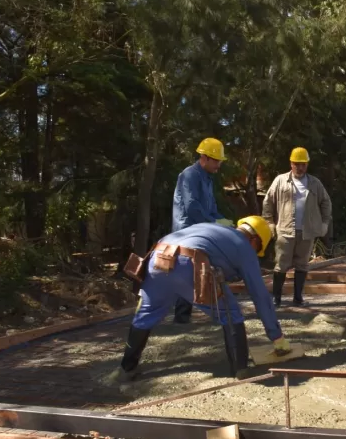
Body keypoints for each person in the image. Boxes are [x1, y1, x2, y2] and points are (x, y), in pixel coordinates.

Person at [109, 216, 290, 383]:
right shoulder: (243, 245)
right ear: (255, 240)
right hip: (188, 263)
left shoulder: (212, 229)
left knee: (146, 314)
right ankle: (240, 370)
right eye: (258, 249)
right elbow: (260, 295)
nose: (255, 253)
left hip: (156, 258)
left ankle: (125, 369)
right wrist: (276, 336)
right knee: (231, 313)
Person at [170, 137, 234, 324]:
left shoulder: (207, 179)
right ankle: (181, 318)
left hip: (201, 229)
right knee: (186, 272)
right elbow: (192, 208)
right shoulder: (189, 175)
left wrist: (224, 222)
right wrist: (215, 222)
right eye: (216, 160)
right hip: (187, 231)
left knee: (201, 270)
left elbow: (211, 208)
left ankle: (204, 311)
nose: (219, 165)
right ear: (204, 158)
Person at [262, 147, 332, 308]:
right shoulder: (280, 180)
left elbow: (326, 203)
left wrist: (324, 223)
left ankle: (298, 298)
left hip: (307, 232)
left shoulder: (315, 183)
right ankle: (277, 298)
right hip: (285, 230)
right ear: (291, 164)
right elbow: (268, 202)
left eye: (303, 164)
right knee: (281, 264)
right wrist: (270, 223)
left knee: (302, 264)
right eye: (296, 164)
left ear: (307, 165)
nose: (300, 167)